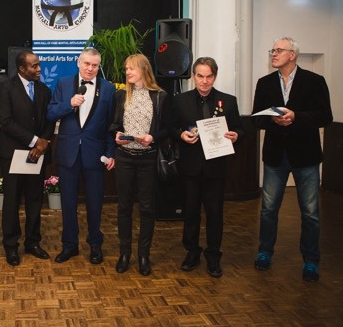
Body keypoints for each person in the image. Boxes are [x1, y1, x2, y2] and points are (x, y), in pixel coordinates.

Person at [252, 37, 332, 282]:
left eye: (278, 50)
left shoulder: (315, 81)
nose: (273, 54)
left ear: (293, 54)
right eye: (272, 50)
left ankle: (311, 261)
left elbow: (325, 116)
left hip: (306, 156)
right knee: (268, 210)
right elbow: (256, 119)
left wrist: (296, 117)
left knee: (310, 213)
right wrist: (273, 119)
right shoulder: (265, 83)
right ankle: (265, 253)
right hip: (275, 156)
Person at [173, 57, 243, 278]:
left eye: (209, 76)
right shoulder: (180, 101)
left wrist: (236, 135)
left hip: (216, 168)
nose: (204, 81)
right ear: (193, 76)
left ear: (215, 76)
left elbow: (239, 129)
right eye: (200, 76)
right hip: (190, 168)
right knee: (191, 212)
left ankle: (213, 256)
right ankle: (192, 252)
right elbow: (171, 128)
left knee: (215, 214)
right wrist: (181, 135)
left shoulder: (228, 101)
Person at [47, 47, 116, 265]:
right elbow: (50, 113)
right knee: (68, 203)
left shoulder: (108, 88)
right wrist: (69, 104)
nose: (90, 68)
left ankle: (95, 244)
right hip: (68, 153)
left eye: (95, 65)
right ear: (78, 62)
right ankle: (70, 245)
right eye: (86, 63)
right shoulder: (64, 83)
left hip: (95, 154)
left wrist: (110, 153)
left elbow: (111, 124)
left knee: (95, 203)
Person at [110, 54, 172, 276]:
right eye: (126, 68)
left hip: (148, 158)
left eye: (131, 68)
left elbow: (167, 128)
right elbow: (114, 124)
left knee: (147, 208)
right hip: (124, 157)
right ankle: (124, 253)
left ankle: (144, 255)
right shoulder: (120, 95)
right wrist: (116, 134)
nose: (127, 72)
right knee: (124, 207)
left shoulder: (160, 96)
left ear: (144, 69)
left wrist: (152, 137)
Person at [0, 49, 56, 266]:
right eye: (34, 66)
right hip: (13, 155)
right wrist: (35, 140)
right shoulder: (6, 88)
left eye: (39, 64)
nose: (39, 69)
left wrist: (43, 142)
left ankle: (33, 242)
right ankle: (11, 245)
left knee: (34, 200)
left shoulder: (44, 90)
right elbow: (6, 121)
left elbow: (50, 120)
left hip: (37, 155)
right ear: (22, 68)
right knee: (11, 201)